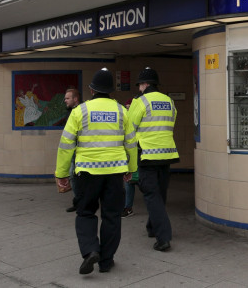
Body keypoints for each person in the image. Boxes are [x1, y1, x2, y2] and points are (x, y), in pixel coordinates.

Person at [55, 68, 138, 274]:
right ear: (111, 91)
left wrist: (61, 174)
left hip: (87, 173)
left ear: (91, 90)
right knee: (112, 216)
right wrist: (131, 170)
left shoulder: (79, 111)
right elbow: (131, 144)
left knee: (85, 213)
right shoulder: (122, 111)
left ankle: (91, 250)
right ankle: (106, 261)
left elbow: (66, 145)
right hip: (114, 173)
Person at [128, 67, 180, 251]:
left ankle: (163, 237)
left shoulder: (140, 101)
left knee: (151, 195)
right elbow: (171, 122)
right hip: (167, 154)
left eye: (140, 85)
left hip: (147, 155)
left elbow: (130, 128)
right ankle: (152, 227)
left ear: (144, 84)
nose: (139, 88)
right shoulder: (169, 101)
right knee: (160, 193)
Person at [61, 88, 82, 212]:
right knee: (72, 176)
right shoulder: (69, 112)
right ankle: (78, 201)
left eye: (67, 98)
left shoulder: (81, 111)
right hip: (72, 150)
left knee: (78, 176)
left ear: (75, 99)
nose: (65, 100)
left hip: (81, 150)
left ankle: (81, 201)